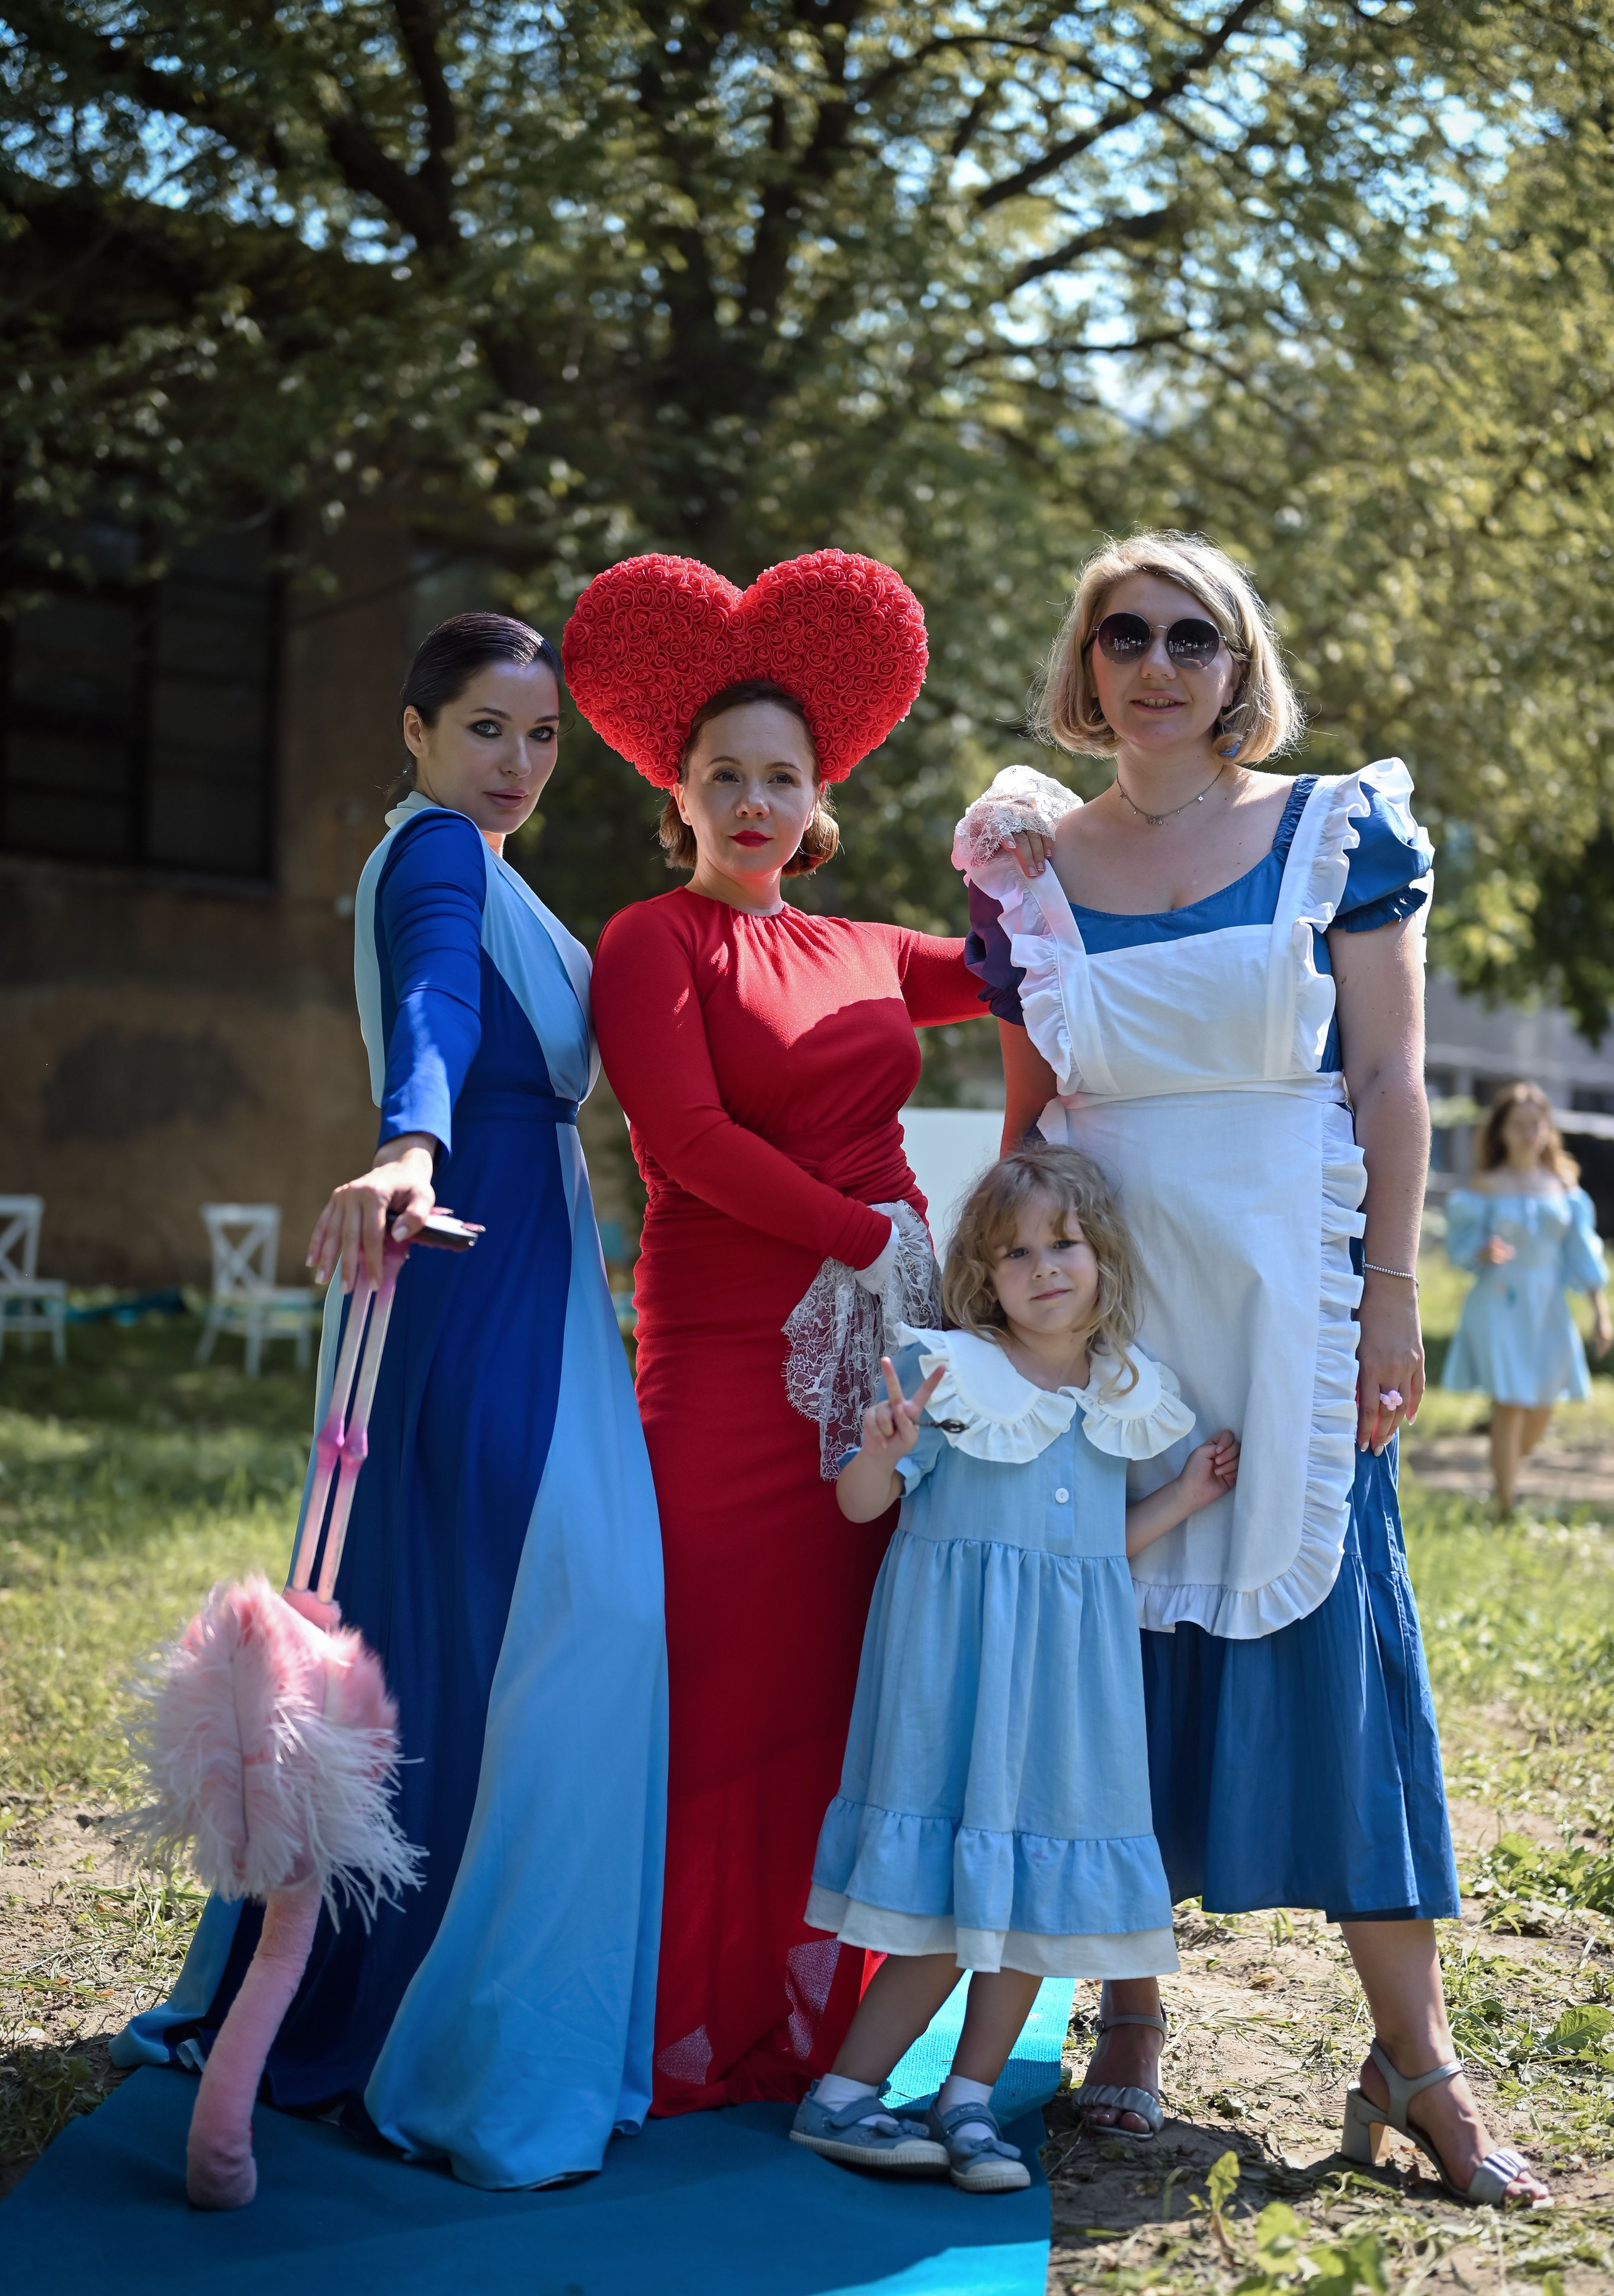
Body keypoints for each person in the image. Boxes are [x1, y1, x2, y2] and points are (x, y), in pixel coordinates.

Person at [959, 530, 1550, 2207]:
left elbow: (1388, 1080)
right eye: (1123, 635)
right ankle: (1128, 2014)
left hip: (1293, 1283)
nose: (1155, 664)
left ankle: (1412, 2057)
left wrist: (1392, 1292)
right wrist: (1002, 1332)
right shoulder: (1025, 863)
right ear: (1085, 667)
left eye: (1190, 637)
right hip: (1104, 1296)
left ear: (1237, 667)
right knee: (1110, 1640)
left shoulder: (1335, 832)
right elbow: (1026, 1117)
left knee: (1340, 1636)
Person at [114, 612, 668, 2191]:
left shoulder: (497, 870)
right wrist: (409, 1143)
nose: (517, 761)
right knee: (560, 1617)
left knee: (473, 1625)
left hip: (530, 1268)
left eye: (541, 736)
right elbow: (432, 1003)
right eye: (486, 727)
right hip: (466, 1258)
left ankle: (394, 1997)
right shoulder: (432, 853)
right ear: (416, 733)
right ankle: (442, 2020)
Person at [566, 547, 992, 2112]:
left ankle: (818, 2011)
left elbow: (1019, 966)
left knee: (838, 1678)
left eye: (780, 778)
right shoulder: (650, 937)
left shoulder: (868, 947)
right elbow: (683, 1144)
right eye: (724, 777)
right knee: (714, 1668)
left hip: (882, 1361)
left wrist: (1032, 835)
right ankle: (680, 2009)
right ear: (676, 794)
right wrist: (865, 1234)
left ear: (819, 799)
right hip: (727, 1353)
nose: (752, 803)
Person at [792, 1146, 1238, 2193]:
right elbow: (862, 1504)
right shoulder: (948, 1372)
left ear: (1102, 1256)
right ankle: (842, 2096)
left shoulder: (1123, 1389)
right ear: (983, 1278)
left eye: (1063, 1243)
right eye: (1016, 1253)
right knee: (946, 1904)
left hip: (1067, 1681)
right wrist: (877, 1450)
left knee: (1039, 1893)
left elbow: (1097, 1545)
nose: (1044, 1267)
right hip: (956, 1676)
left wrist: (1184, 1499)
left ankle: (969, 2100)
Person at [1442, 1080, 1611, 1514]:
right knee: (1511, 1402)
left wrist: (1601, 1312)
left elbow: (1584, 1254)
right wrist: (1479, 1252)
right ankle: (1506, 1506)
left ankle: (1505, 1471)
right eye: (1518, 1124)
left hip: (1548, 1306)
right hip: (1500, 1301)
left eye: (1536, 1124)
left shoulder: (1564, 1188)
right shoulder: (1485, 1186)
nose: (1528, 1133)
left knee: (1542, 1406)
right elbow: (1459, 1248)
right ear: (1501, 1130)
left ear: (1548, 1129)